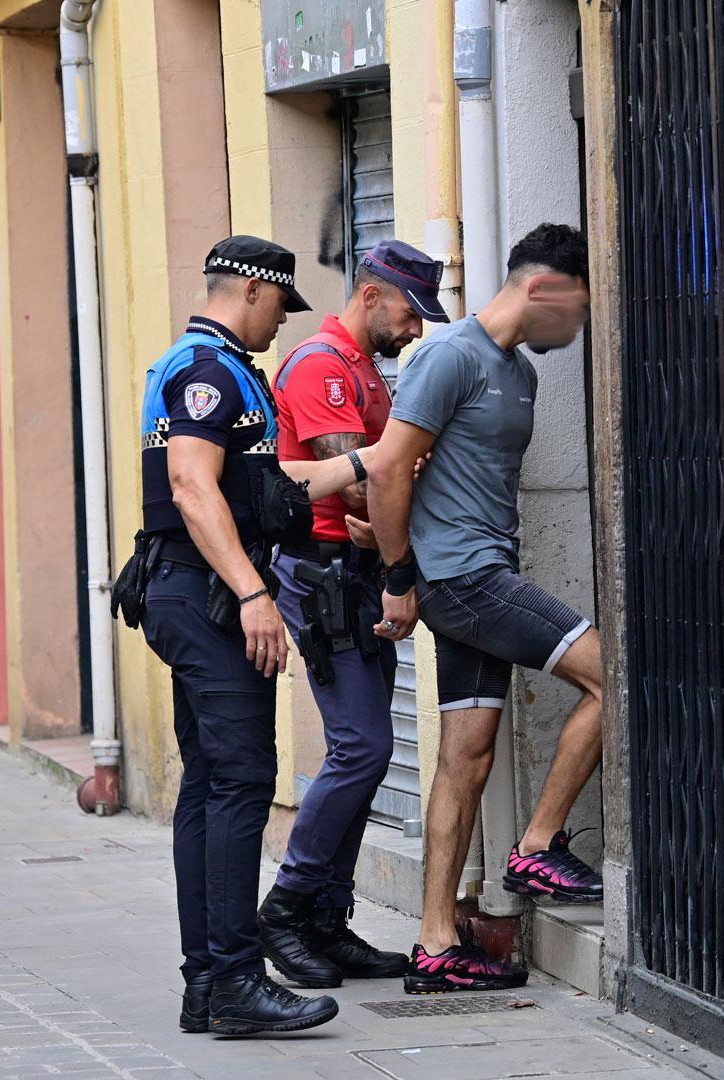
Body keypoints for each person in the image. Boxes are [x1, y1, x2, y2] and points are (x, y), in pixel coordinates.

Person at [134, 237, 391, 1037]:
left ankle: (209, 985)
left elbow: (274, 489)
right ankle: (238, 981)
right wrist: (251, 593)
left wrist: (372, 461)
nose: (284, 321)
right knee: (242, 781)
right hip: (207, 593)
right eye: (281, 303)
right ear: (251, 289)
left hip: (189, 589)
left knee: (212, 785)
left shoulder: (207, 365)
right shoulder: (210, 371)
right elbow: (190, 483)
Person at [366, 223, 601, 994]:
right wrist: (400, 577)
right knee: (615, 676)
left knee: (464, 760)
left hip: (478, 573)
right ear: (542, 289)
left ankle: (435, 943)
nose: (578, 327)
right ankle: (537, 844)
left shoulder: (516, 373)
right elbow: (389, 468)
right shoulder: (448, 354)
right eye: (577, 309)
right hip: (462, 580)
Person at [256, 240, 448, 989]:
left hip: (359, 574)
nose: (416, 331)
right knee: (361, 749)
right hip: (325, 576)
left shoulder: (364, 370)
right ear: (371, 295)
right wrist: (393, 495)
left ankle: (328, 924)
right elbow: (365, 487)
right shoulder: (321, 366)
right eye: (409, 312)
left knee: (366, 754)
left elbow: (391, 478)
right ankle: (288, 910)